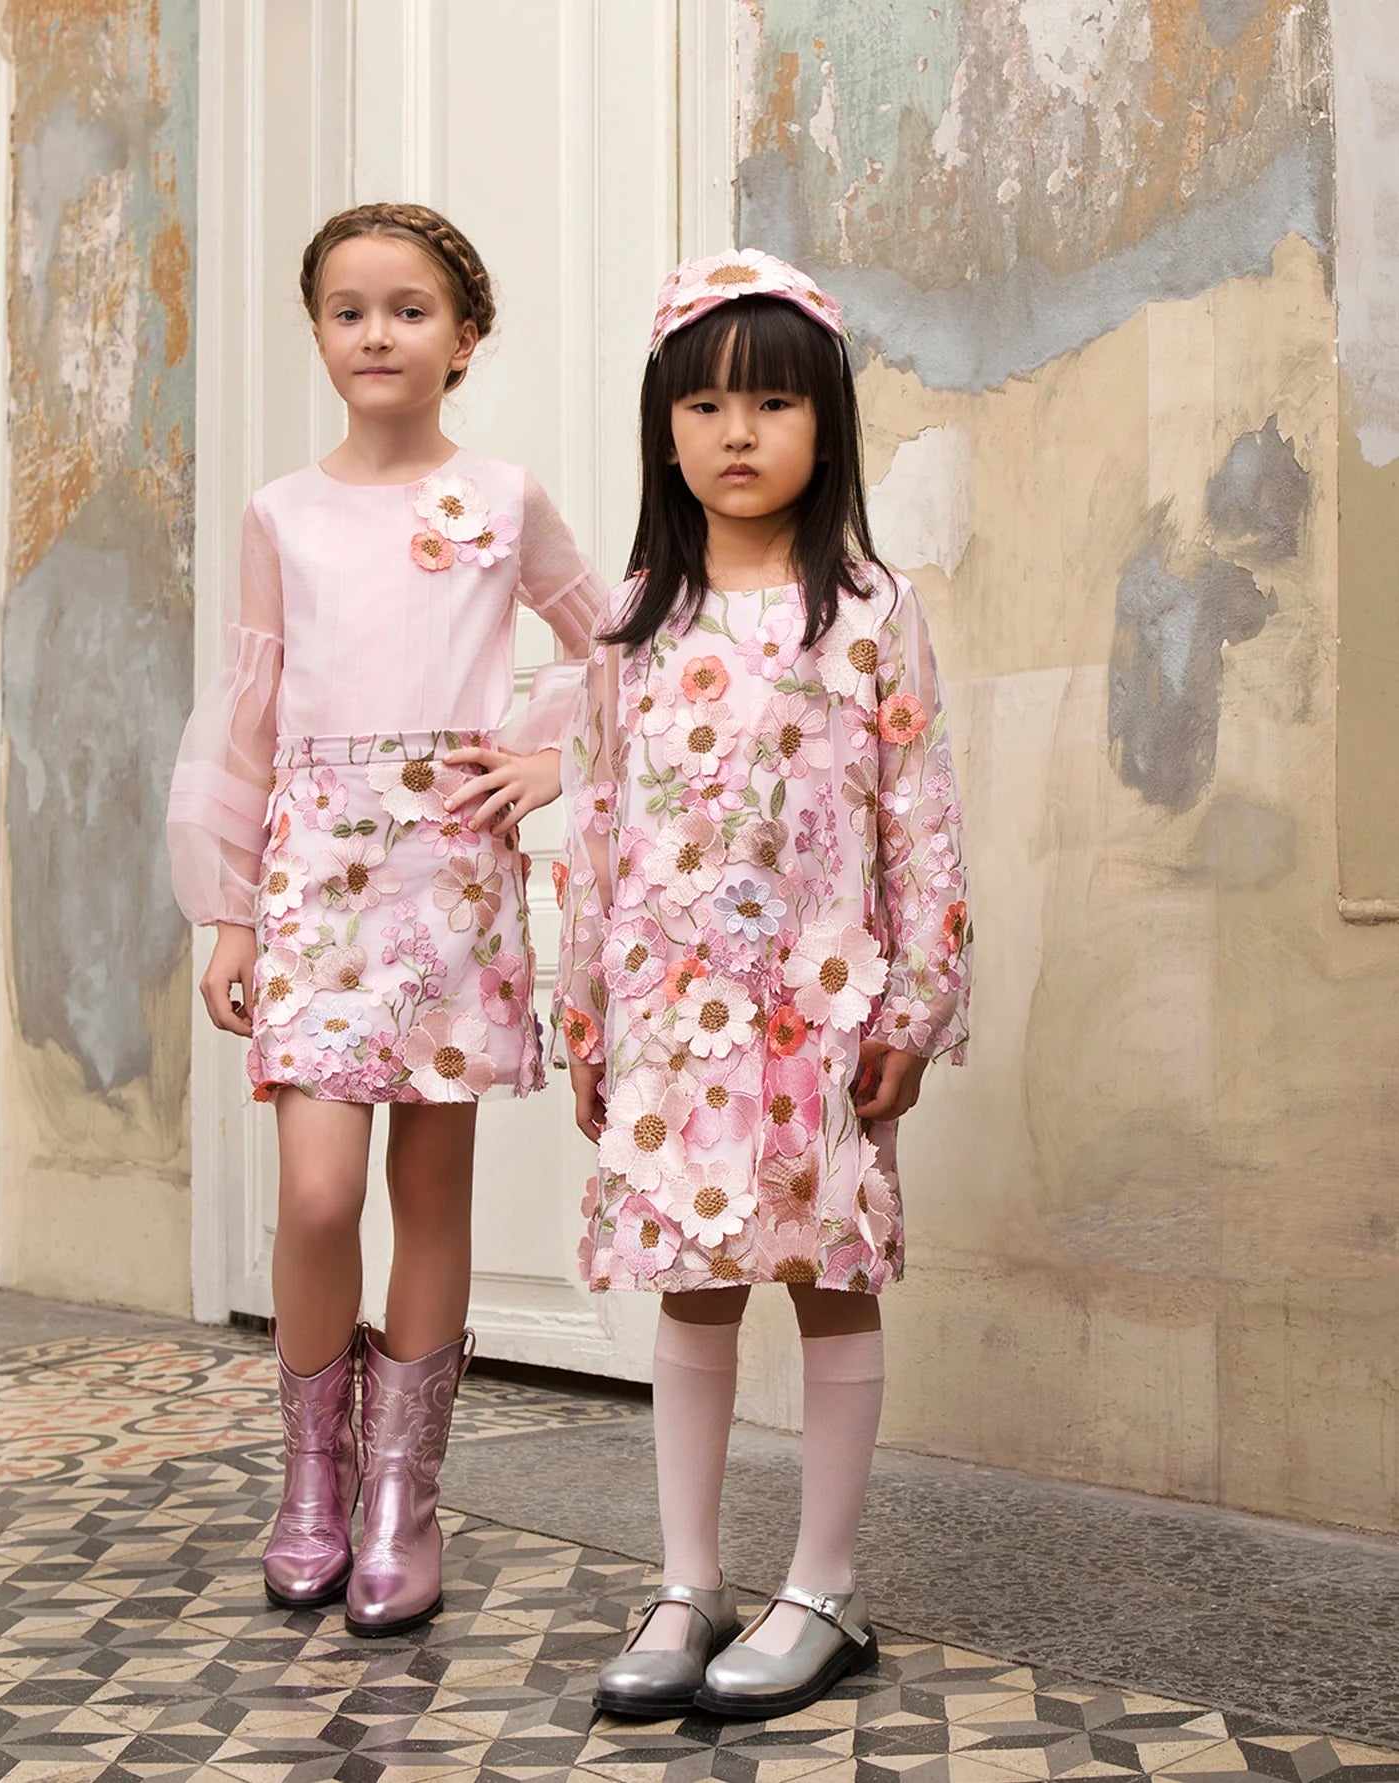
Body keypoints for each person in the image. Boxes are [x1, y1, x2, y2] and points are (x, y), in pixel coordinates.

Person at [167, 201, 604, 1637]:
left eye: (410, 309)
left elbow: (616, 641)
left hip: (450, 880)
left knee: (431, 1191)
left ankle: (404, 1498)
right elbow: (246, 714)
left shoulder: (505, 497)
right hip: (314, 876)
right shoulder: (279, 514)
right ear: (317, 334)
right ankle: (313, 1474)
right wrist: (231, 914)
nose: (377, 333)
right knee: (315, 1193)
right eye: (349, 310)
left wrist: (544, 758)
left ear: (464, 337)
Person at [553, 248, 971, 1719]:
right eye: (708, 405)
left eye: (775, 403)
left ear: (826, 423)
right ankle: (688, 1581)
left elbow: (920, 814)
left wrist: (915, 1006)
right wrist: (588, 1013)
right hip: (675, 1012)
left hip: (819, 1011)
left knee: (829, 1280)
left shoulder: (868, 608)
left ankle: (826, 1588)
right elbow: (595, 822)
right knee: (696, 1286)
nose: (739, 433)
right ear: (664, 429)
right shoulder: (631, 622)